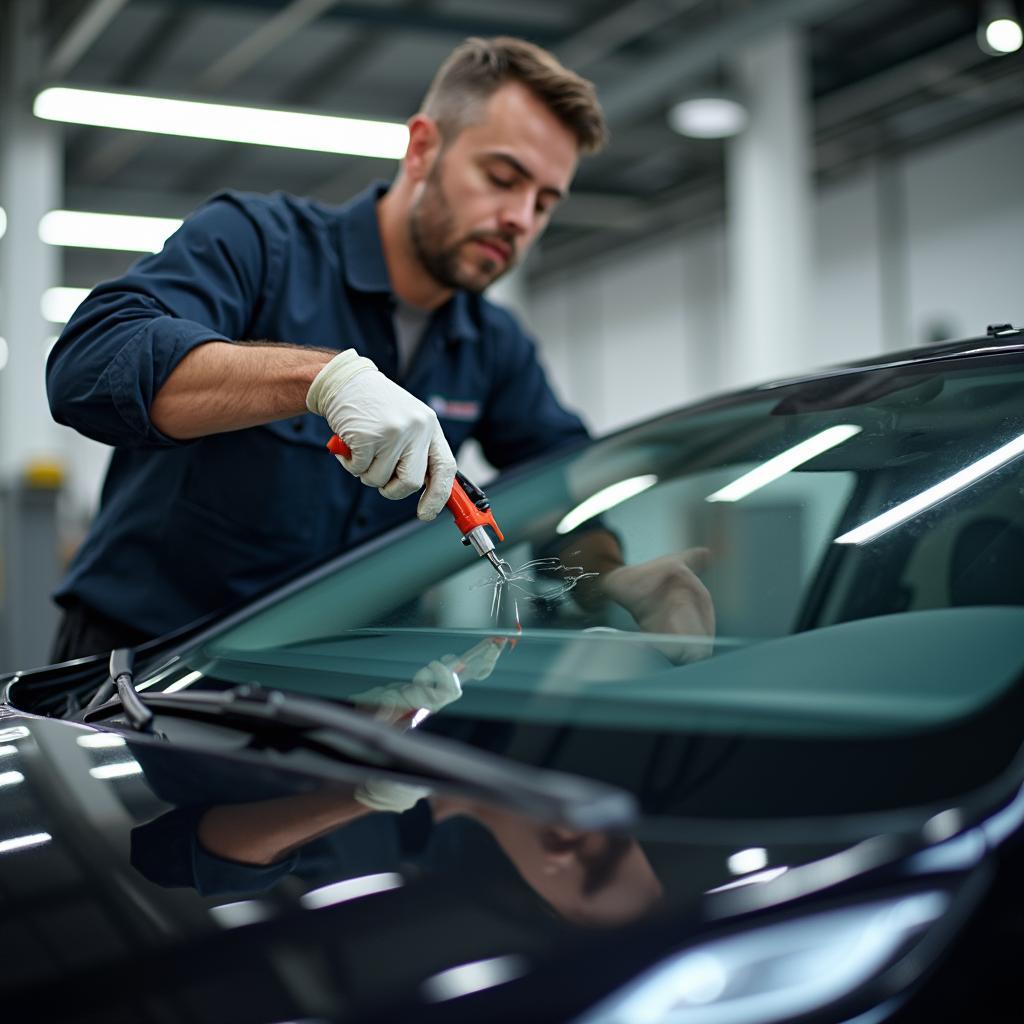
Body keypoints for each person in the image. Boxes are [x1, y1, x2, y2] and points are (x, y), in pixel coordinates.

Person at [46, 36, 608, 661]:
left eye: (544, 203)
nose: (520, 218)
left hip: (340, 694)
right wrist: (320, 382)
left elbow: (566, 479)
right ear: (422, 148)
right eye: (503, 179)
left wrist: (618, 574)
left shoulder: (494, 345)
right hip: (142, 679)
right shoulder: (258, 245)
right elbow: (89, 364)